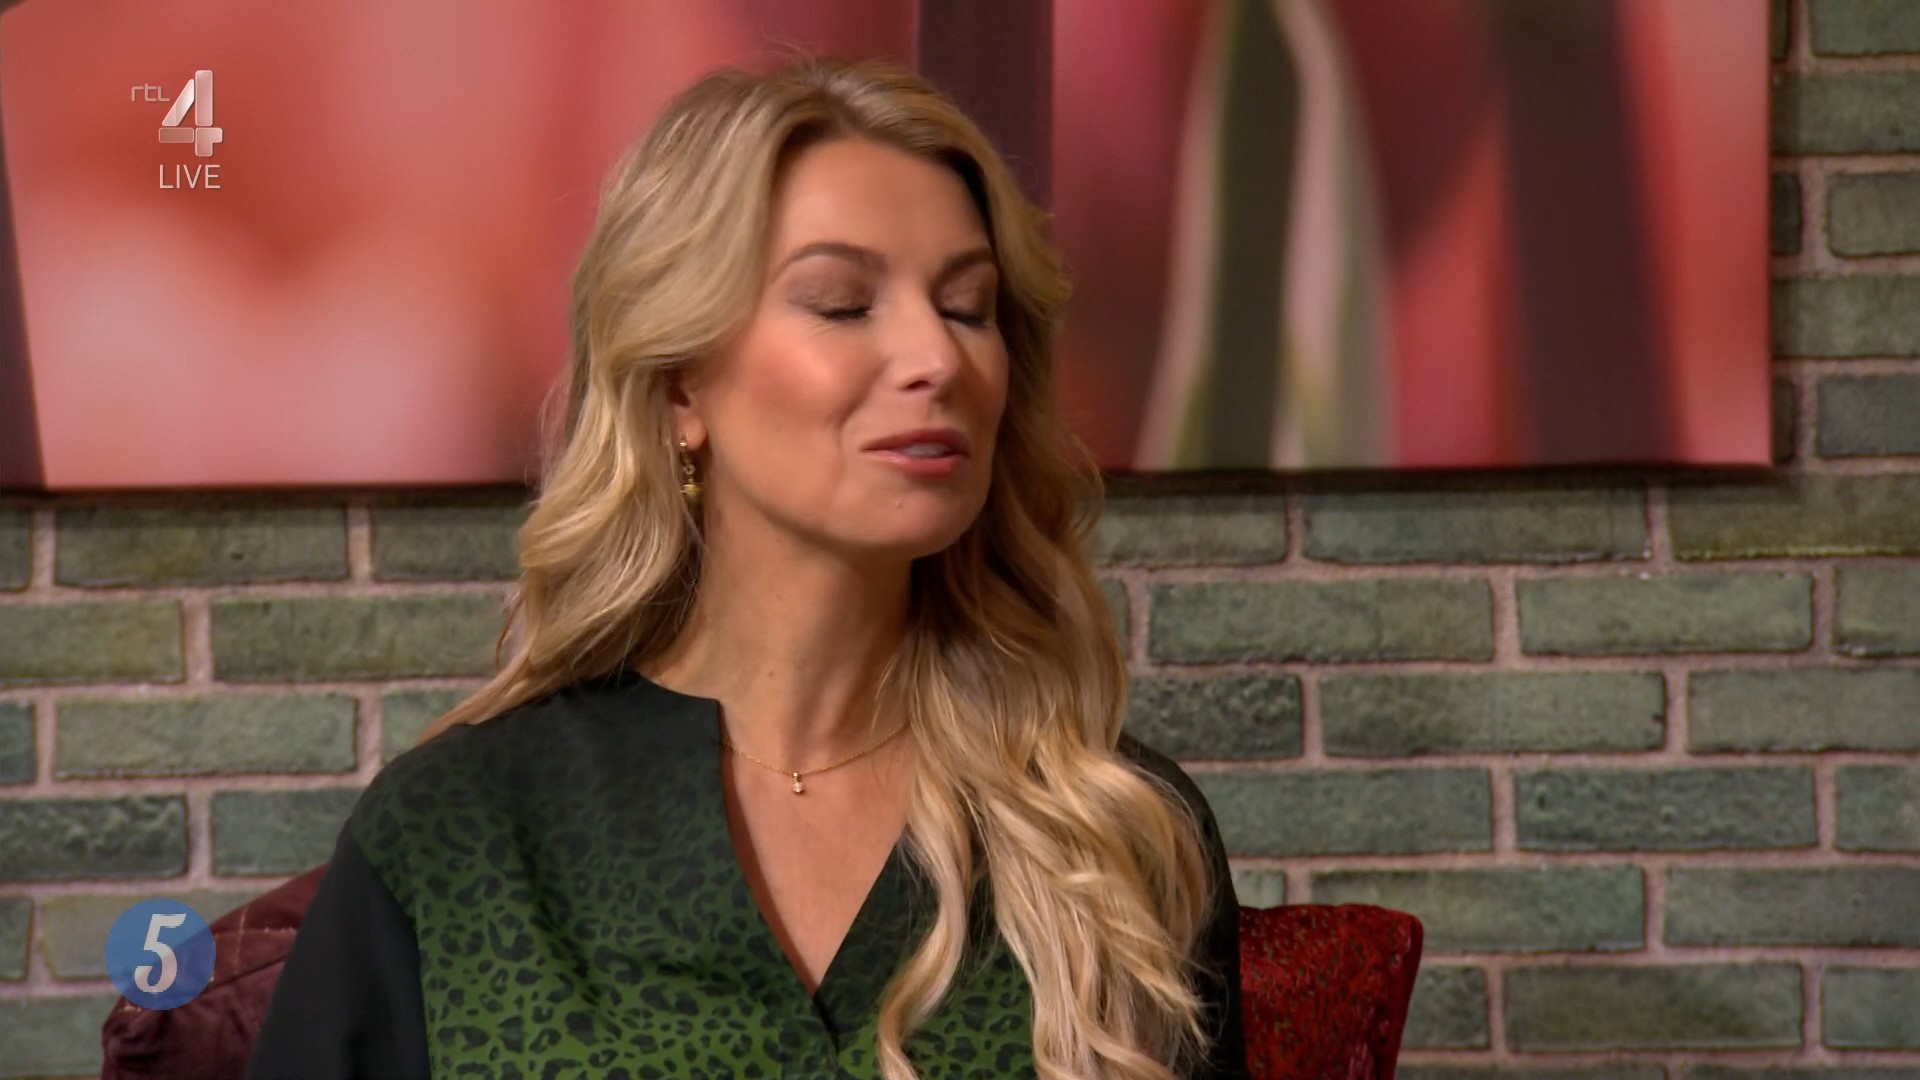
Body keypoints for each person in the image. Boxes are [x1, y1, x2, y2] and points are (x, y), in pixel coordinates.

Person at [245, 55, 1247, 1080]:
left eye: (967, 307)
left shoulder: (1117, 836)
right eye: (843, 303)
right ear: (682, 387)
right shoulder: (459, 835)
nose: (938, 360)